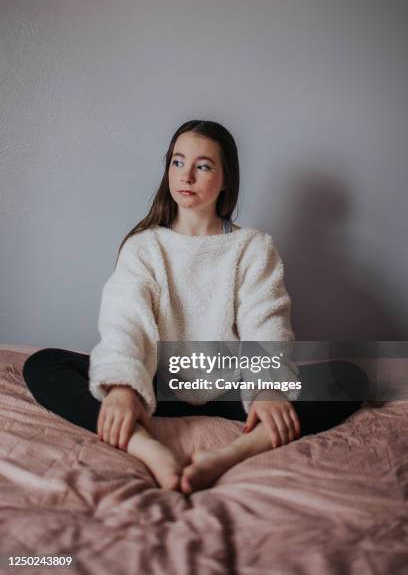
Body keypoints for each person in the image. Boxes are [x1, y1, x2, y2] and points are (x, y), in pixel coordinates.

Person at [23, 119, 368, 494]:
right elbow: (126, 321)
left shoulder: (253, 247)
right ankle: (147, 448)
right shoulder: (145, 245)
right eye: (177, 162)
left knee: (350, 377)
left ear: (225, 181)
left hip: (231, 386)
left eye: (202, 166)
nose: (185, 175)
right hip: (157, 385)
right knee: (44, 364)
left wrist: (268, 388)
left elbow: (265, 321)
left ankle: (233, 454)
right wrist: (123, 388)